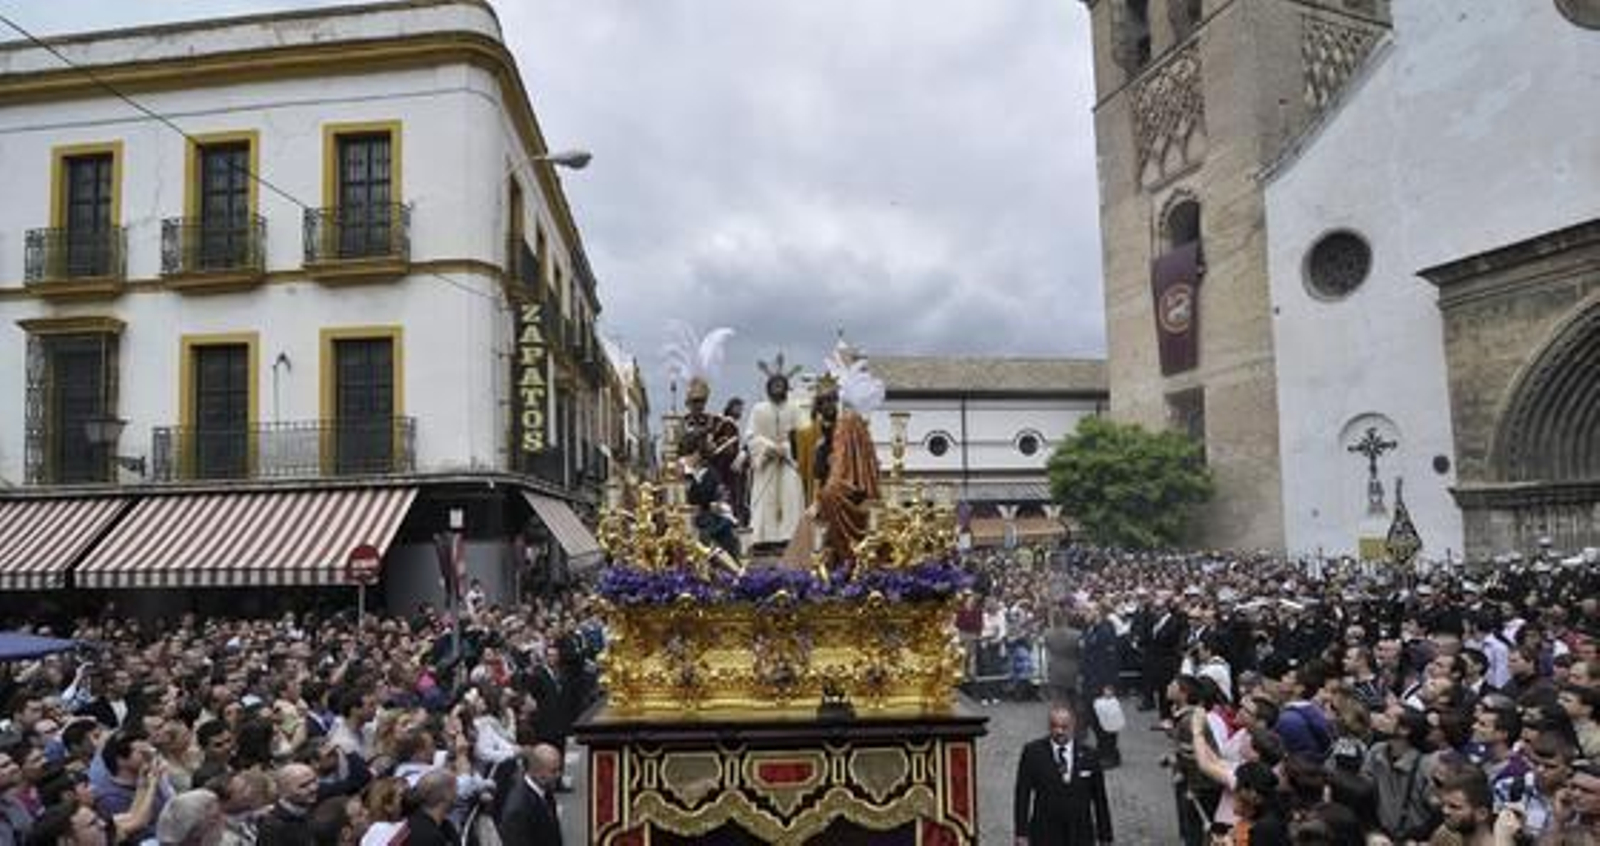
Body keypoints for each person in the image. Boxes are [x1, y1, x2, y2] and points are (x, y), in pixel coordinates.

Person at [1012, 704, 1113, 846]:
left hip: (1080, 833)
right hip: (1045, 833)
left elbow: (1100, 799)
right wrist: (1021, 833)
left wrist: (1105, 836)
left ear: (1073, 726)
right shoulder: (1033, 752)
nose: (1059, 731)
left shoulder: (1090, 755)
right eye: (1054, 726)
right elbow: (1022, 795)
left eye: (1064, 727)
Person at [807, 376, 880, 565]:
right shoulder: (823, 439)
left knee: (829, 496)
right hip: (835, 484)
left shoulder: (848, 424)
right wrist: (816, 499)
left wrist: (825, 494)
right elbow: (820, 474)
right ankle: (825, 560)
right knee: (818, 507)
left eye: (830, 400)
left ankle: (845, 558)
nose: (826, 407)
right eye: (822, 403)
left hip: (852, 486)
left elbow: (845, 467)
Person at [746, 357, 806, 549]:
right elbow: (750, 435)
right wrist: (769, 447)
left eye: (782, 384)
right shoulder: (758, 409)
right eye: (775, 384)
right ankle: (763, 539)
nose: (778, 388)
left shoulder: (795, 408)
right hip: (767, 462)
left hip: (788, 463)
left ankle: (789, 537)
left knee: (791, 495)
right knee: (765, 500)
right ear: (768, 387)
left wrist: (786, 448)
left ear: (787, 387)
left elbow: (804, 436)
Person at [495, 743, 562, 845]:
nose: (559, 775)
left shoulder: (545, 790)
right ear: (536, 772)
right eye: (553, 771)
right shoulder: (517, 810)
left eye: (559, 769)